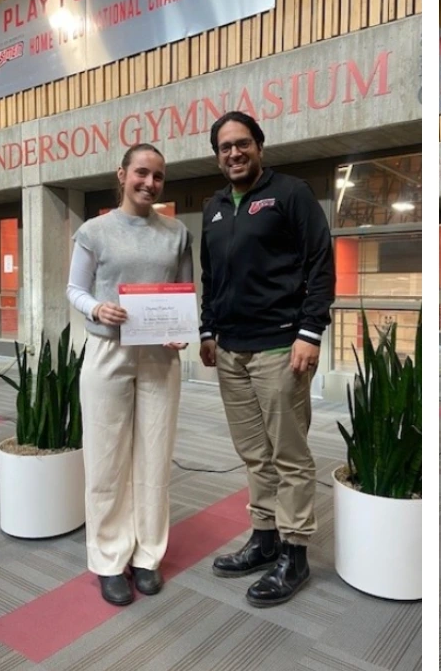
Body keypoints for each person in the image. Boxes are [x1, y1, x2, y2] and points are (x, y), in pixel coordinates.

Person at [198, 111, 335, 608]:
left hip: (281, 347)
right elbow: (210, 277)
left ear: (259, 146)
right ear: (217, 155)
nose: (233, 153)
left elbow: (321, 263)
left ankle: (294, 553)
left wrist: (310, 331)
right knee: (254, 453)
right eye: (224, 147)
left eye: (242, 144)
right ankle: (264, 537)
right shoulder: (214, 208)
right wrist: (207, 329)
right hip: (230, 350)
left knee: (289, 455)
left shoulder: (291, 193)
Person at [67, 143, 192, 606]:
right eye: (141, 173)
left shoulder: (177, 233)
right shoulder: (94, 230)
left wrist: (180, 329)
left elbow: (182, 291)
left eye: (158, 176)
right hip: (107, 352)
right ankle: (107, 559)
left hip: (159, 357)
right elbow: (74, 289)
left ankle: (147, 555)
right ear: (121, 174)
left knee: (154, 457)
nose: (150, 183)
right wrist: (97, 306)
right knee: (106, 459)